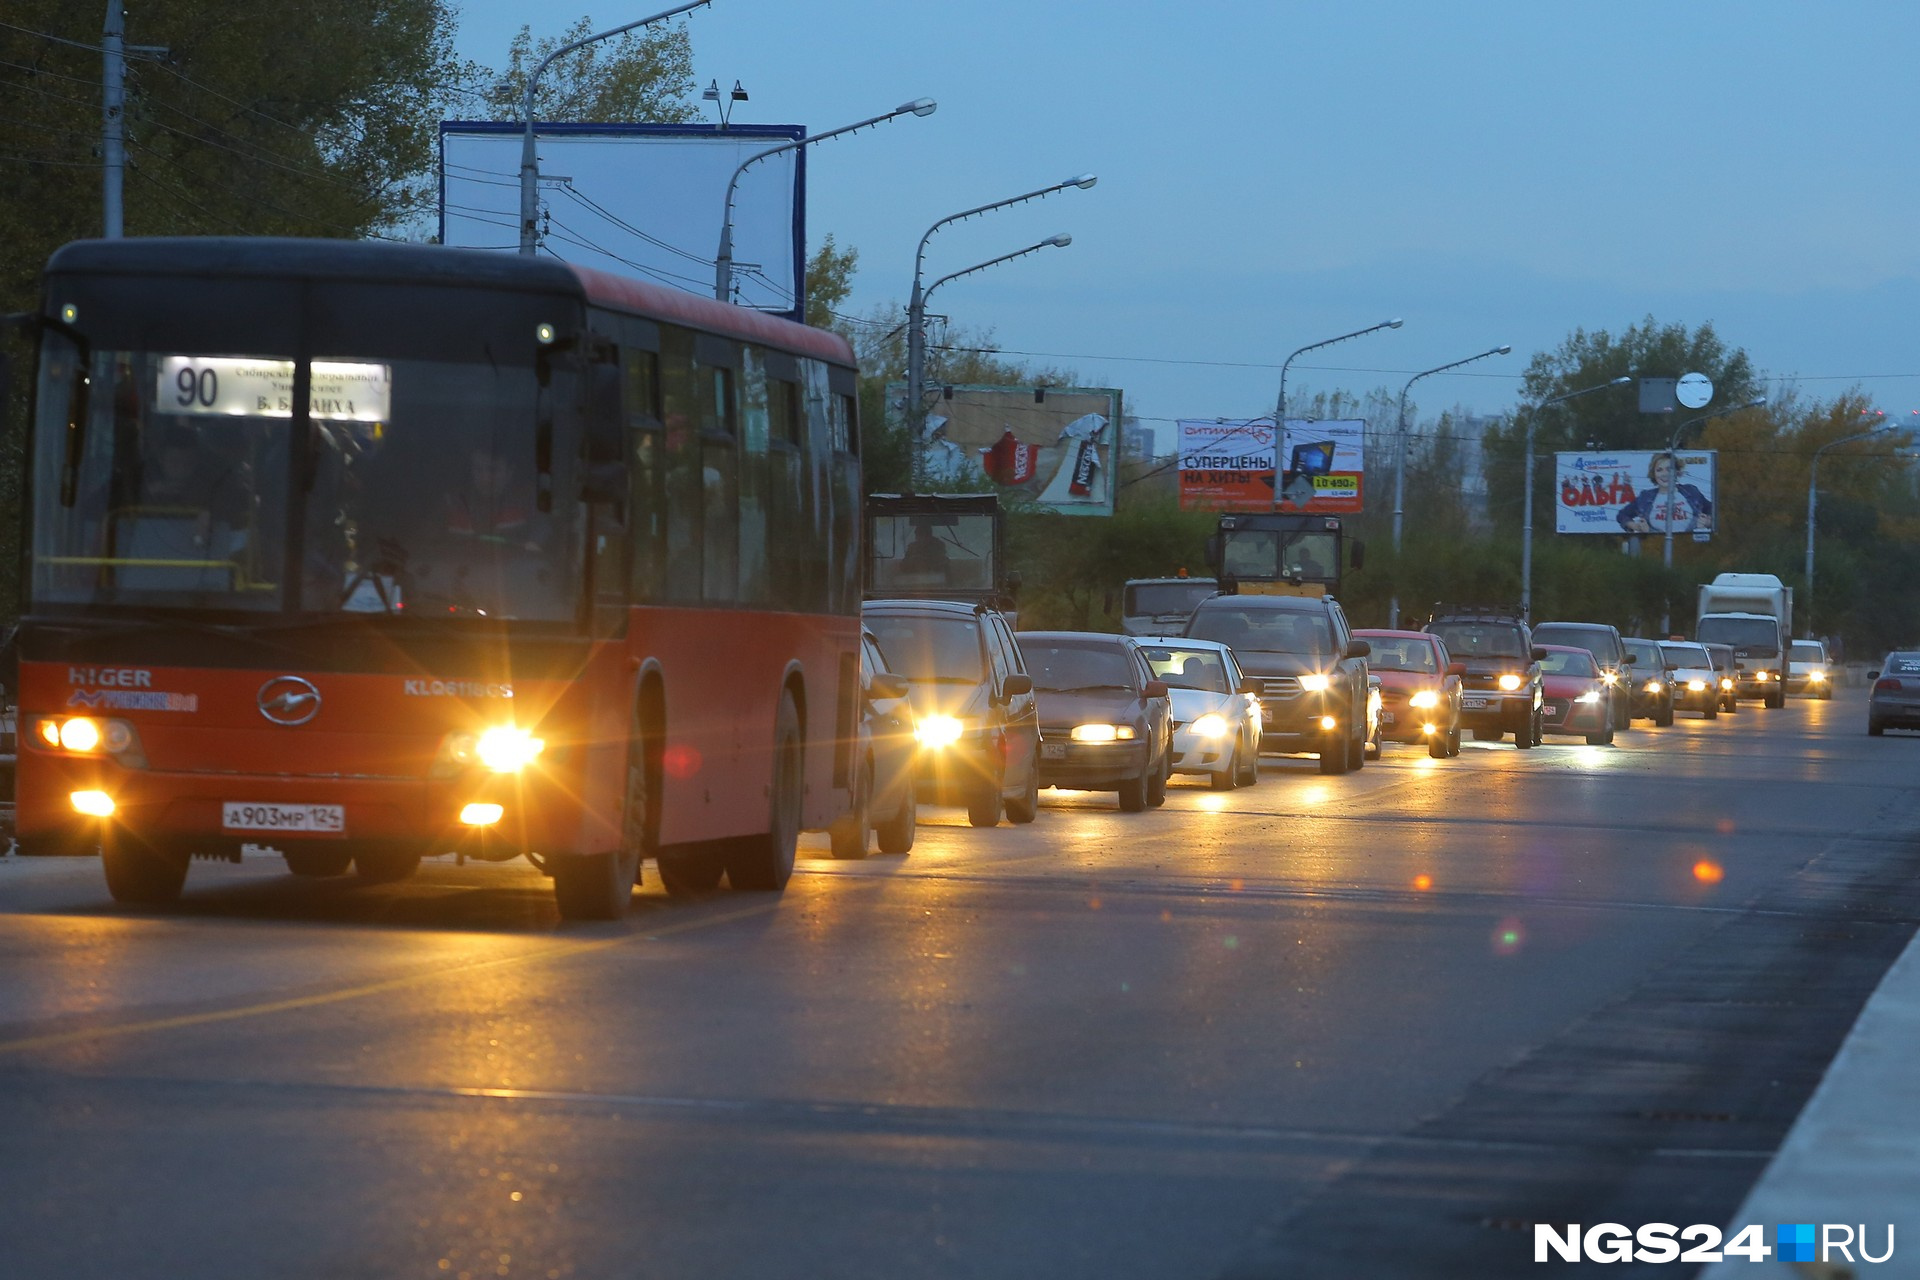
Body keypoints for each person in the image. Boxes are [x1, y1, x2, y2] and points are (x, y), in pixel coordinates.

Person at [447, 444, 544, 551]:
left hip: (514, 564)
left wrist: (535, 542)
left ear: (509, 472)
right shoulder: (452, 501)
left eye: (493, 470)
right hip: (459, 565)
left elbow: (542, 527)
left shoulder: (527, 499)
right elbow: (430, 535)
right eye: (478, 469)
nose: (485, 478)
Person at [1618, 452, 1713, 534]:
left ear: (1677, 472)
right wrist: (1636, 526)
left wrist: (1708, 522)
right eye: (1659, 470)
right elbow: (1622, 515)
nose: (1664, 474)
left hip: (1691, 545)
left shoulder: (1691, 491)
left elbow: (1715, 512)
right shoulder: (1645, 497)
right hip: (1655, 547)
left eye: (1669, 469)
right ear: (1653, 474)